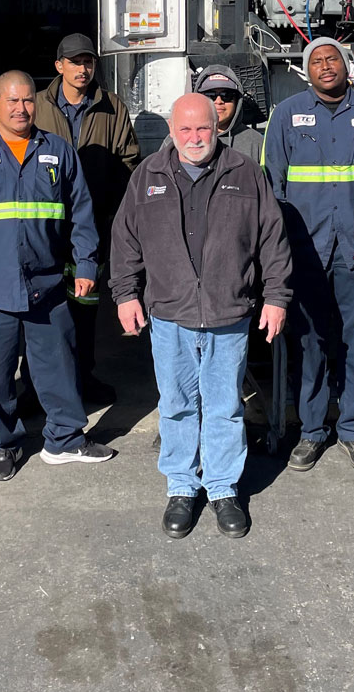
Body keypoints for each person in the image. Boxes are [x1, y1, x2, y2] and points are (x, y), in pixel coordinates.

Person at [110, 93, 291, 538]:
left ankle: (224, 487)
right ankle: (182, 486)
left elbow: (272, 239)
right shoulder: (147, 176)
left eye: (203, 128)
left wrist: (276, 297)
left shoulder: (245, 173)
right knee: (175, 404)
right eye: (186, 129)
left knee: (225, 406)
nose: (195, 138)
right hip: (169, 315)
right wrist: (125, 295)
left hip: (228, 313)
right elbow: (125, 241)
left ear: (218, 128)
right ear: (172, 130)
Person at [0, 70, 114, 476]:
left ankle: (66, 439)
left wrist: (86, 262)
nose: (21, 109)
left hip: (48, 282)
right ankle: (5, 443)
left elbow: (82, 211)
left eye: (28, 101)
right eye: (13, 101)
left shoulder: (57, 150)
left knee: (58, 364)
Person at [261, 38, 354, 475]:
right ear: (307, 71)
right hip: (306, 251)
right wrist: (283, 242)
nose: (325, 66)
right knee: (309, 342)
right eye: (316, 61)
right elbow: (273, 184)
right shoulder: (285, 116)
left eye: (332, 59)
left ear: (347, 66)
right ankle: (311, 430)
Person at [34, 34, 140, 404]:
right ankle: (37, 386)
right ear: (59, 66)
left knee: (85, 305)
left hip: (92, 224)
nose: (83, 69)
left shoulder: (112, 107)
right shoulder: (37, 107)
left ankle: (83, 377)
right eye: (75, 62)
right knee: (42, 307)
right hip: (44, 225)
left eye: (88, 62)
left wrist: (113, 213)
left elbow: (128, 161)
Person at [192, 63, 264, 163]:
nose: (218, 101)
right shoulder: (179, 139)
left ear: (237, 100)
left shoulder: (256, 142)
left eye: (227, 95)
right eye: (210, 95)